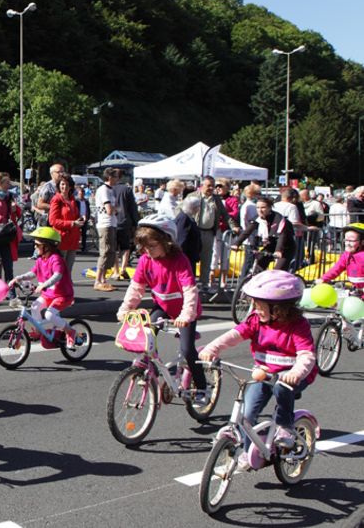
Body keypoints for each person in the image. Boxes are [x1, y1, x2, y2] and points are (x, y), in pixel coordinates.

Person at [199, 270, 317, 460]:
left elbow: (306, 355)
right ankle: (247, 452)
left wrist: (296, 372)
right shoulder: (256, 320)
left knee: (282, 387)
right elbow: (234, 335)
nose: (255, 308)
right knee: (247, 412)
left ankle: (285, 427)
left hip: (291, 375)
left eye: (260, 305)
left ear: (278, 307)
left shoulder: (297, 325)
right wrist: (212, 348)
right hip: (264, 373)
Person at [117, 214, 209, 404]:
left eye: (151, 246)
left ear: (166, 241)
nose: (147, 251)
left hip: (184, 310)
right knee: (146, 333)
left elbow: (190, 291)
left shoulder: (180, 260)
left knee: (187, 350)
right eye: (143, 246)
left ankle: (202, 387)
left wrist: (186, 315)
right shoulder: (145, 260)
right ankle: (147, 364)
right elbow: (136, 288)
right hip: (163, 307)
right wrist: (126, 309)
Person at [8, 227, 77, 343]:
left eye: (37, 244)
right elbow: (32, 273)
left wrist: (43, 285)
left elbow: (57, 275)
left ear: (47, 246)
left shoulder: (56, 259)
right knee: (35, 307)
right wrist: (19, 278)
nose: (35, 247)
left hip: (62, 295)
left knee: (50, 315)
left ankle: (70, 331)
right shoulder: (41, 259)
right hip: (48, 294)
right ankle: (39, 331)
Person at [232, 197, 296, 272]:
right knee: (258, 265)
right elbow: (247, 232)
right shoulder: (257, 218)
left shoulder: (278, 219)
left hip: (285, 247)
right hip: (271, 245)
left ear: (269, 208)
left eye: (263, 207)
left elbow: (282, 236)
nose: (260, 210)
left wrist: (278, 250)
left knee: (278, 271)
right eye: (258, 208)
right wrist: (236, 243)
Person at [194, 176, 227, 291]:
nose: (211, 188)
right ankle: (190, 283)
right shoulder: (193, 197)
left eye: (213, 185)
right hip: (195, 232)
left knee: (206, 259)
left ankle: (203, 284)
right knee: (192, 258)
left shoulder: (216, 199)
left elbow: (225, 214)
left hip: (209, 232)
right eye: (209, 185)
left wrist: (235, 227)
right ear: (202, 185)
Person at [48, 175, 83, 278]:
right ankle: (57, 291)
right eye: (62, 184)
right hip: (61, 239)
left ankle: (66, 291)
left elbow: (75, 216)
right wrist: (72, 223)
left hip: (73, 239)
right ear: (59, 186)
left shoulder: (72, 199)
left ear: (71, 186)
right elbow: (53, 221)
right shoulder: (56, 199)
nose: (65, 187)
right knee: (59, 271)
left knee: (68, 270)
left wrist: (80, 219)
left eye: (67, 184)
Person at [93, 168, 119, 292]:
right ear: (109, 177)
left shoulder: (110, 190)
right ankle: (98, 280)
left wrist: (115, 209)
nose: (117, 179)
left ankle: (103, 279)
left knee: (111, 252)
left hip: (111, 223)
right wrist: (115, 209)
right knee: (105, 251)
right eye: (116, 177)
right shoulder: (103, 190)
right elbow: (109, 210)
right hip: (105, 223)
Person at [113, 169, 141, 280]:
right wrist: (136, 222)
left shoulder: (108, 189)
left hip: (113, 221)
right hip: (125, 221)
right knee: (125, 247)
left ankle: (115, 270)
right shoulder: (127, 190)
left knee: (114, 248)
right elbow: (133, 208)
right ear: (122, 177)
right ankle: (123, 269)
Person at [319, 222, 364, 289]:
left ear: (362, 242)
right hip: (356, 291)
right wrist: (323, 279)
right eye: (346, 240)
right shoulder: (346, 255)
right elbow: (336, 268)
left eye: (351, 240)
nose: (347, 243)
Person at [32, 163, 65, 227]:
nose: (61, 174)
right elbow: (39, 204)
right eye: (58, 172)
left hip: (61, 220)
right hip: (48, 220)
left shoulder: (65, 186)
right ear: (52, 174)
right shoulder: (47, 186)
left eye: (62, 172)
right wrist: (55, 207)